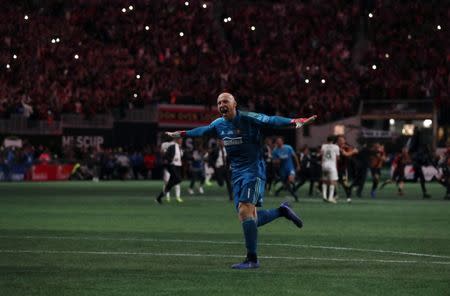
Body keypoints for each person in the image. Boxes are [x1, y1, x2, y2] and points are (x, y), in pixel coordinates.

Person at [164, 92, 316, 269]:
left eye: (226, 101)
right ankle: (282, 211)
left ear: (234, 104)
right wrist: (180, 134)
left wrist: (297, 121)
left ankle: (252, 259)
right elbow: (202, 130)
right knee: (250, 218)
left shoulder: (248, 118)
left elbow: (271, 120)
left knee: (245, 211)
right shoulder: (219, 124)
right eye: (219, 102)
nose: (222, 104)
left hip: (254, 170)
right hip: (236, 173)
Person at [156, 137, 184, 204]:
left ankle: (159, 198)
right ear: (177, 139)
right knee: (178, 179)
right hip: (172, 165)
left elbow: (181, 155)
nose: (181, 141)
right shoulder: (171, 145)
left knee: (172, 183)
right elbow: (165, 154)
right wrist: (170, 159)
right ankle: (168, 188)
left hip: (178, 166)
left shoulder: (179, 147)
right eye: (180, 139)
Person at [272, 137, 300, 201]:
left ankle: (294, 188)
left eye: (280, 141)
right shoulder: (275, 151)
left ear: (282, 142)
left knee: (291, 179)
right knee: (287, 185)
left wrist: (298, 165)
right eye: (277, 141)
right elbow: (274, 161)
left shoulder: (288, 148)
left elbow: (294, 156)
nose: (279, 143)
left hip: (290, 168)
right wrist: (277, 161)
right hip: (282, 170)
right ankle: (295, 195)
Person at [320, 136, 340, 204]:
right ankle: (330, 198)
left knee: (325, 181)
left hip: (324, 165)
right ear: (333, 140)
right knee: (333, 182)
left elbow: (321, 155)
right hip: (332, 166)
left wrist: (322, 165)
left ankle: (324, 196)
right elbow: (337, 158)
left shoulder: (323, 146)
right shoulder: (336, 147)